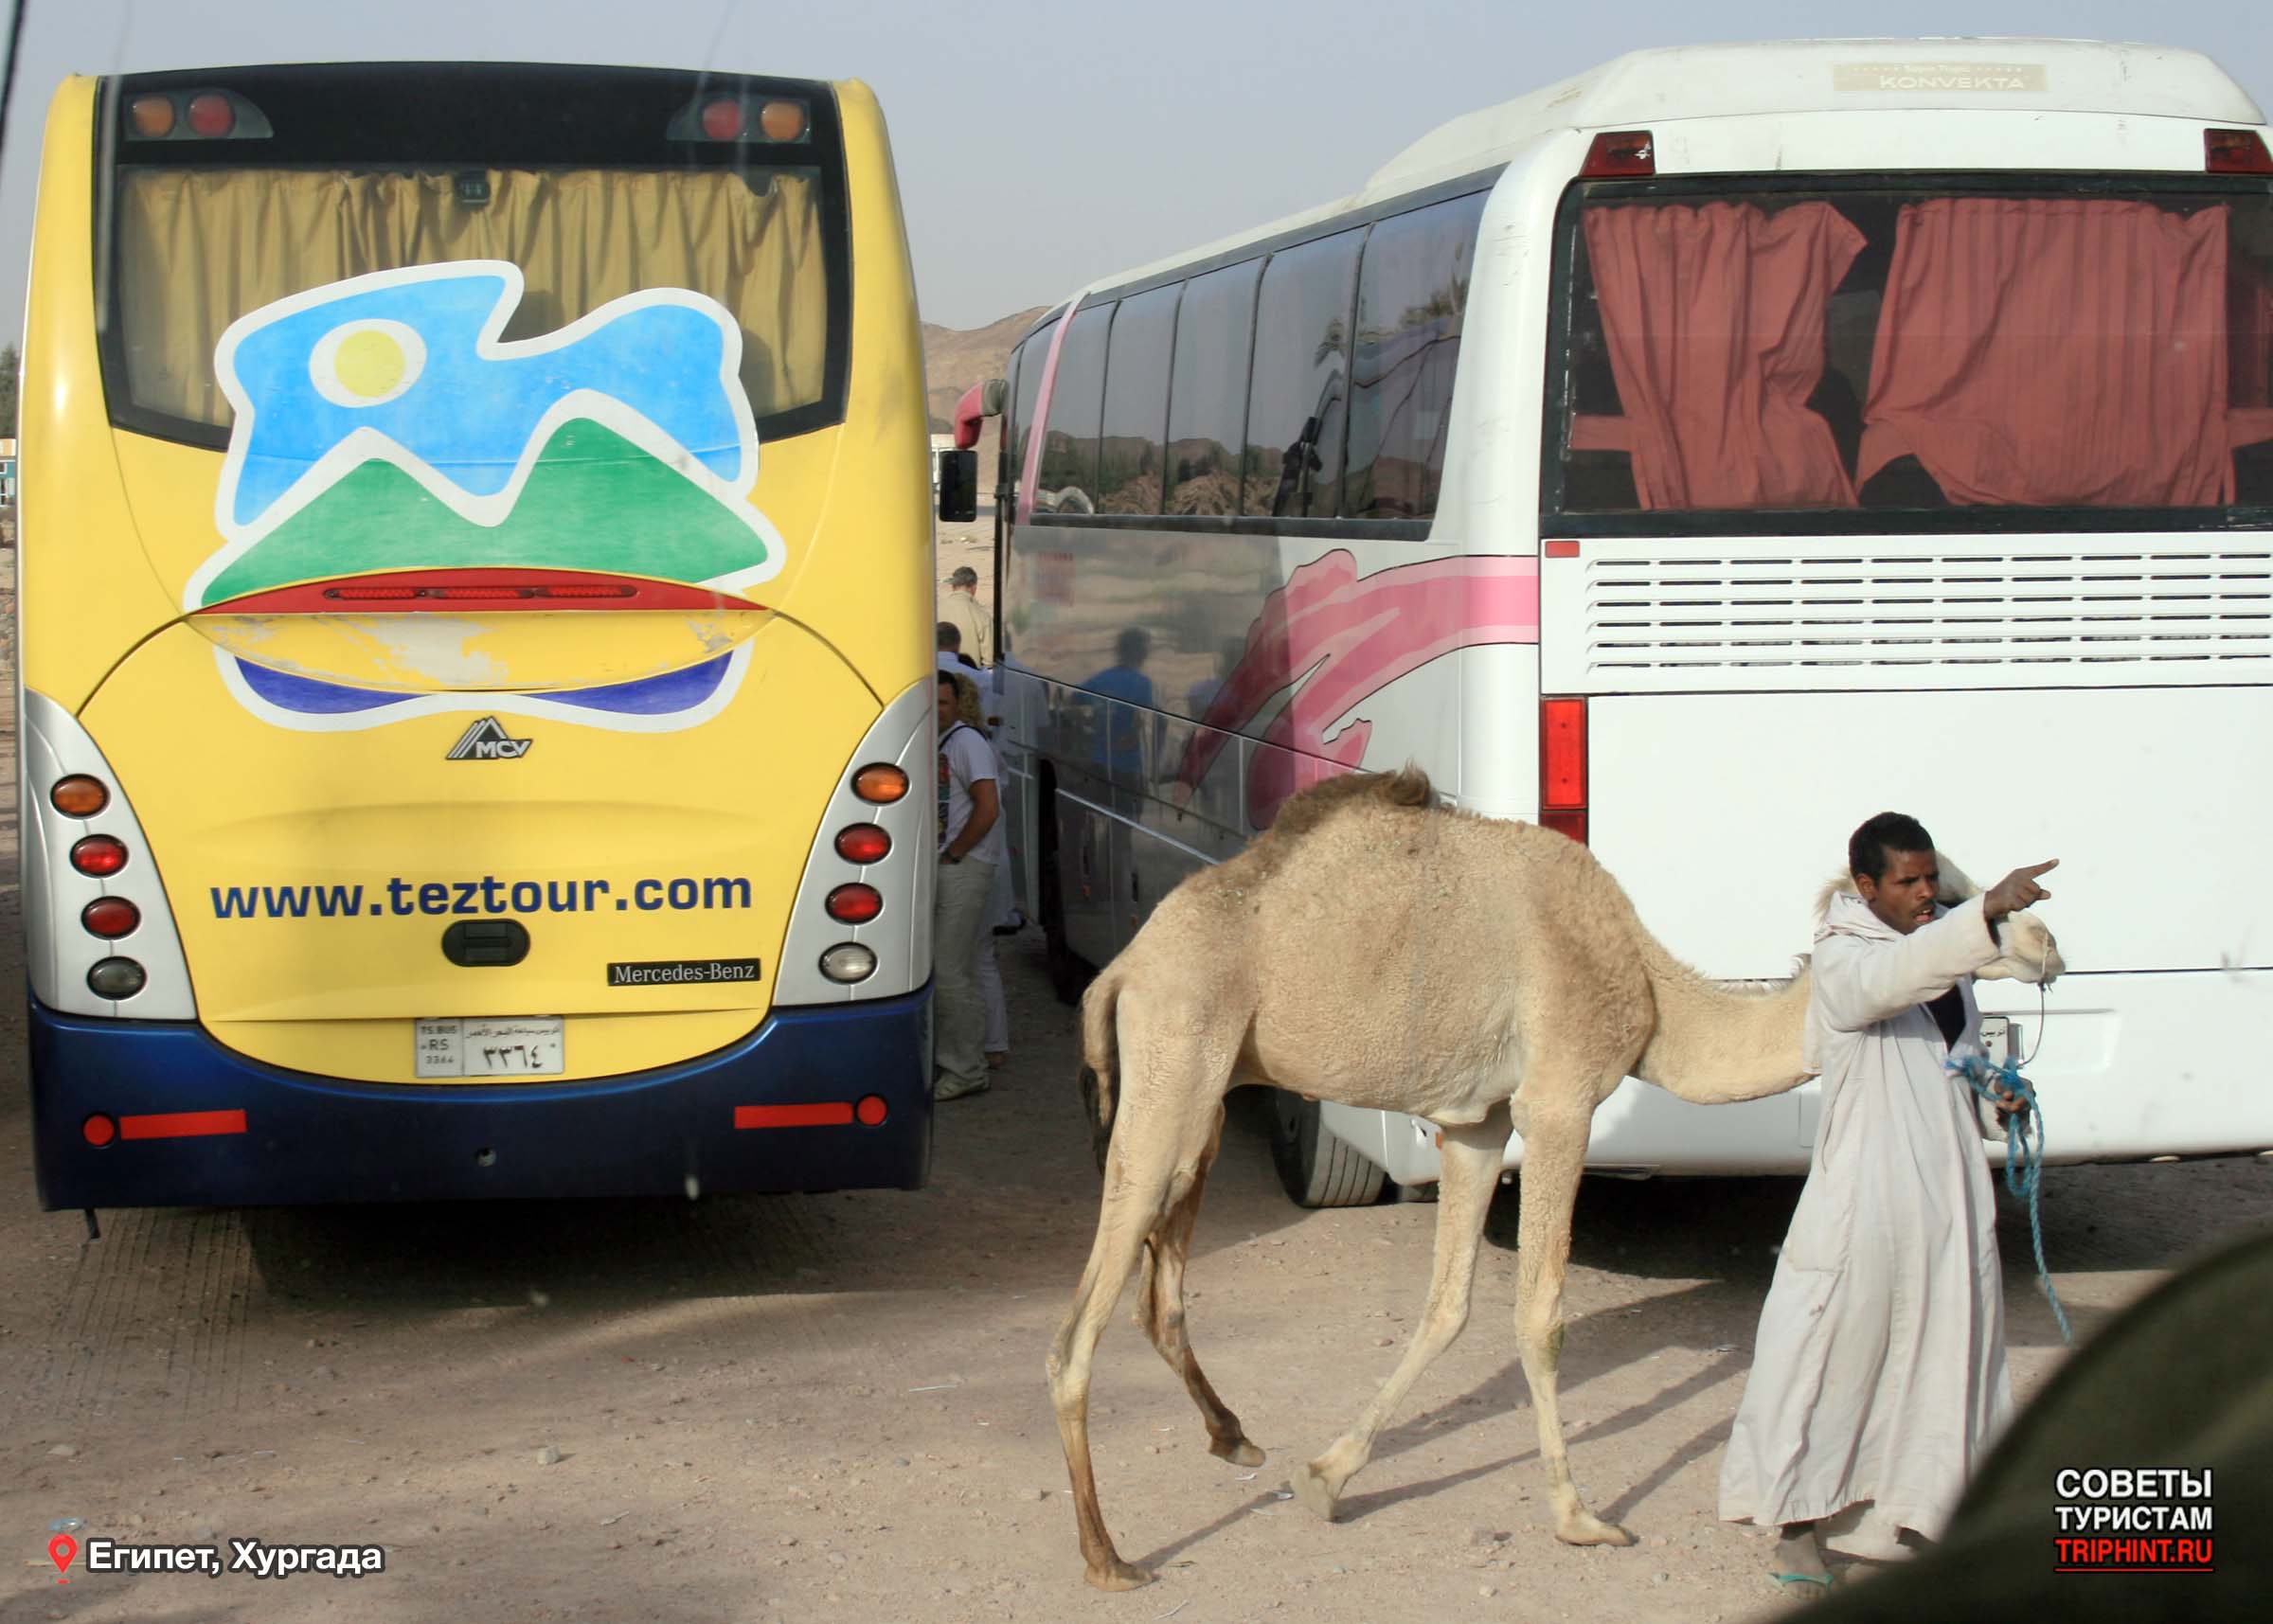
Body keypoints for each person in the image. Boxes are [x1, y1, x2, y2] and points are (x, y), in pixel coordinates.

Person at [1718, 812, 2057, 1597]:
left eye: (1931, 879)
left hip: (1945, 1190)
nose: (1924, 893)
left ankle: (1922, 1521)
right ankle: (1797, 1531)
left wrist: (1992, 1092)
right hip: (1863, 1195)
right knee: (1829, 1352)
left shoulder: (1946, 953)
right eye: (1907, 882)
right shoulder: (1845, 959)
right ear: (1865, 887)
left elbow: (1956, 1051)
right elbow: (1887, 984)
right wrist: (1985, 912)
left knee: (1949, 1350)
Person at [933, 669, 1005, 1100]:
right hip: (952, 865)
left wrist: (957, 851)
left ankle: (966, 1068)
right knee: (959, 967)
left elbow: (988, 806)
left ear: (958, 705)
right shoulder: (942, 742)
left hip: (964, 866)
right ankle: (965, 1058)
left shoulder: (967, 743)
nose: (937, 709)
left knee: (948, 970)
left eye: (943, 702)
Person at [940, 564, 993, 667]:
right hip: (970, 679)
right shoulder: (982, 615)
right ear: (974, 587)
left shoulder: (935, 610)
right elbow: (989, 659)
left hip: (939, 677)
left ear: (953, 586)